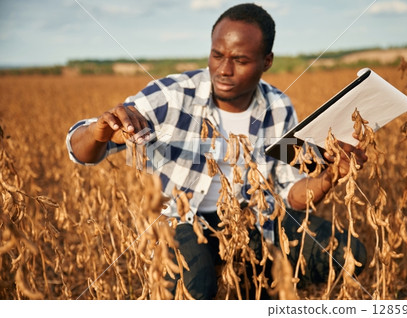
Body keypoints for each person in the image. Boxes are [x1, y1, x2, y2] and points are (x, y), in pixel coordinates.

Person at [66, 3, 367, 299]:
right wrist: (99, 133)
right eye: (217, 55)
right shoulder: (173, 95)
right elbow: (80, 150)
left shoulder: (277, 108)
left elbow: (291, 196)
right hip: (180, 222)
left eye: (240, 60)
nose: (224, 70)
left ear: (267, 61)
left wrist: (329, 177)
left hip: (252, 220)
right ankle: (222, 275)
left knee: (349, 254)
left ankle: (249, 279)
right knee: (195, 288)